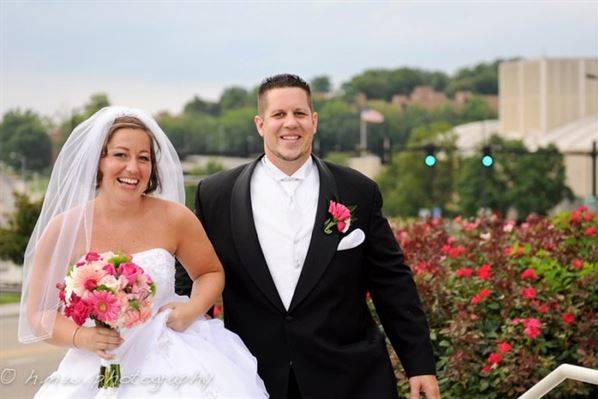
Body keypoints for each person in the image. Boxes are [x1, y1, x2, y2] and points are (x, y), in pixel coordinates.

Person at [175, 74, 440, 399]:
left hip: (350, 378)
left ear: (313, 122)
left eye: (300, 114)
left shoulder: (358, 191)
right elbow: (192, 282)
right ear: (260, 124)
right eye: (279, 115)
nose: (291, 123)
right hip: (252, 379)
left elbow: (392, 284)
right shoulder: (215, 194)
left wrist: (420, 364)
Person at [18, 107, 268, 398]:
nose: (133, 168)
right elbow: (39, 314)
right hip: (95, 364)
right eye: (120, 155)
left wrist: (190, 310)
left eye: (143, 158)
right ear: (99, 160)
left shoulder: (176, 218)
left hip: (172, 358)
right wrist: (82, 335)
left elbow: (209, 272)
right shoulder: (65, 228)